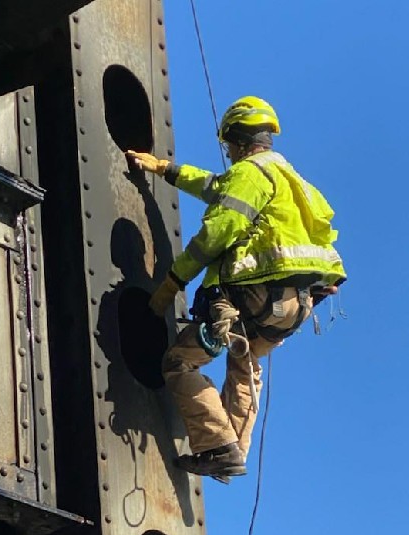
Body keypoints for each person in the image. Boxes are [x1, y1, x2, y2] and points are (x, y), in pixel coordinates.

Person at [127, 96, 347, 481]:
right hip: (294, 307)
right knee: (245, 367)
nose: (227, 152)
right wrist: (165, 169)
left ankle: (216, 444)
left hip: (252, 297)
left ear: (239, 139)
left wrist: (173, 281)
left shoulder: (250, 174)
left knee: (178, 362)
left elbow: (217, 231)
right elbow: (215, 186)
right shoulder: (297, 185)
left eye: (229, 143)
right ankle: (232, 453)